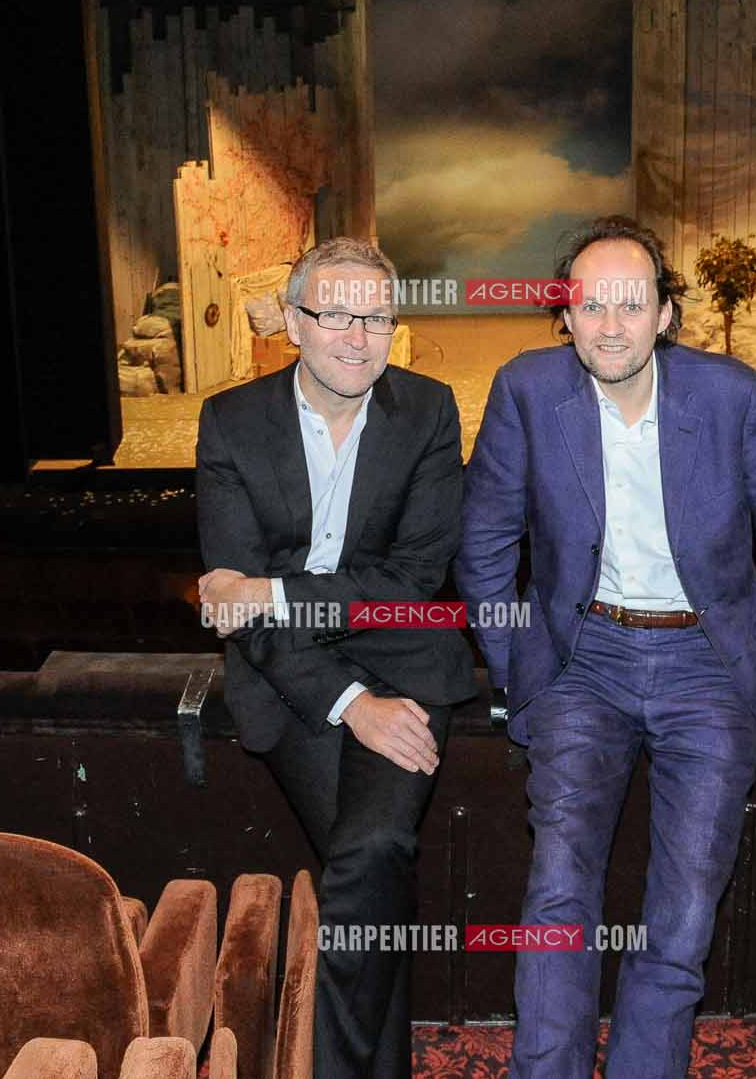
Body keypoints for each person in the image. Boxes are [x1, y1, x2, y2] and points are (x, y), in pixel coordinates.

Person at [456, 215, 756, 1078]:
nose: (610, 325)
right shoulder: (525, 391)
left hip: (709, 668)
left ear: (666, 314)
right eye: (590, 305)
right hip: (582, 662)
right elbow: (485, 550)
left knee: (681, 917)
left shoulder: (731, 397)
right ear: (563, 316)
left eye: (631, 304)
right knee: (560, 892)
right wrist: (517, 673)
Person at [193, 236, 477, 1079]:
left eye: (378, 318)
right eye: (336, 317)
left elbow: (413, 578)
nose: (359, 338)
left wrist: (275, 591)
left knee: (367, 858)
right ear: (292, 322)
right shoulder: (231, 422)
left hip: (404, 666)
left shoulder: (428, 411)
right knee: (372, 873)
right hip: (291, 682)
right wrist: (351, 701)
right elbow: (238, 611)